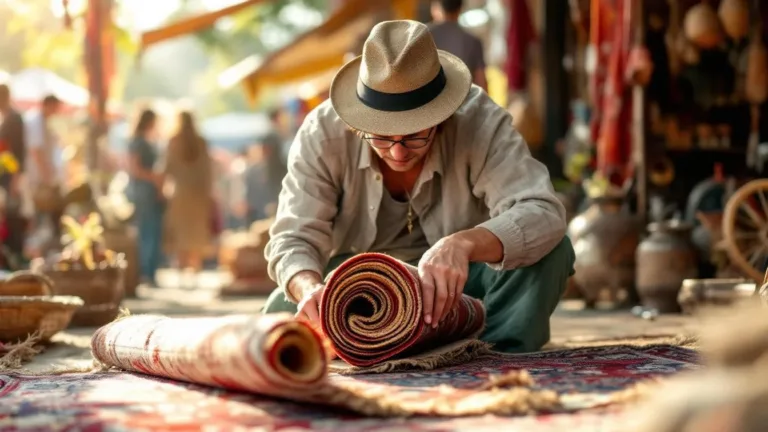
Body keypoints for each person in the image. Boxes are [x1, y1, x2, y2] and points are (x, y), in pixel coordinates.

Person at [262, 20, 574, 353]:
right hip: (361, 290)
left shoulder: (480, 121)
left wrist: (462, 244)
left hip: (460, 289)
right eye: (381, 136)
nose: (397, 152)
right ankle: (380, 341)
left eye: (414, 135)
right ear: (357, 122)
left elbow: (542, 211)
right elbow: (293, 237)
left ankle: (493, 352)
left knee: (550, 251)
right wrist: (309, 288)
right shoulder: (322, 132)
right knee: (284, 313)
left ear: (442, 116)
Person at [162, 110, 213, 281]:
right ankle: (195, 266)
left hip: (180, 193)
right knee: (196, 230)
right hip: (198, 193)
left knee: (181, 230)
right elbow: (207, 169)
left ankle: (182, 267)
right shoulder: (201, 142)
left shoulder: (174, 141)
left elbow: (167, 167)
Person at [126, 108, 165, 287]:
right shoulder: (139, 143)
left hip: (149, 191)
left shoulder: (146, 142)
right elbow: (135, 168)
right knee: (147, 232)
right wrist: (154, 178)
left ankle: (149, 271)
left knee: (151, 232)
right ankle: (146, 272)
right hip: (144, 191)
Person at [428, 0, 488, 91]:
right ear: (460, 9)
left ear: (435, 8)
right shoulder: (473, 41)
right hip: (465, 101)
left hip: (428, 101)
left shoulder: (422, 36)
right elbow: (481, 82)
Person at [0, 84, 26, 265]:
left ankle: (15, 255)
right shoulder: (6, 119)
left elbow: (18, 152)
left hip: (12, 177)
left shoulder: (15, 119)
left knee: (13, 215)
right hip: (6, 175)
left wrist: (16, 179)